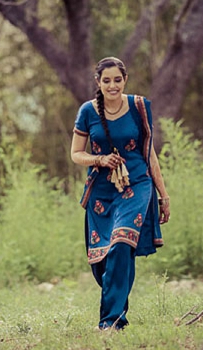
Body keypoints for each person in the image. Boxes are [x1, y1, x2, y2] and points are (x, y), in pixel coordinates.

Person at [71, 56, 171, 330]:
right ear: (98, 82)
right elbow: (76, 154)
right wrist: (100, 160)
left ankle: (111, 322)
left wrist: (163, 195)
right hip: (102, 192)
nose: (112, 85)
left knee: (120, 244)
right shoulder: (87, 112)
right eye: (107, 81)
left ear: (125, 80)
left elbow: (149, 153)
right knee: (103, 260)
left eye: (117, 80)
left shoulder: (140, 106)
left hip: (137, 184)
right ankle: (115, 303)